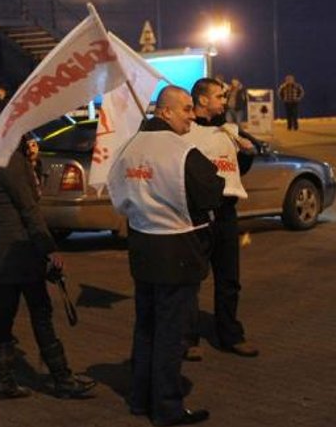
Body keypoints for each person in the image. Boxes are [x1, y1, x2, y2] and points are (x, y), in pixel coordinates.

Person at [107, 86, 224, 426]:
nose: (191, 115)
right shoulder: (180, 150)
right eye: (186, 109)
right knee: (171, 334)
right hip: (178, 249)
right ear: (165, 112)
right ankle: (168, 407)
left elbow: (118, 196)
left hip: (143, 245)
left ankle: (140, 399)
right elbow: (211, 192)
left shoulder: (130, 147)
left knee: (146, 327)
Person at [0, 137, 96, 400]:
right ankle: (60, 378)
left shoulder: (10, 156)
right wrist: (49, 247)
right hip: (15, 251)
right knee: (36, 312)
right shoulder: (9, 159)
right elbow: (28, 207)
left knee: (9, 315)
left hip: (10, 250)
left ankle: (10, 378)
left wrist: (31, 162)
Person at [184, 78, 259, 362]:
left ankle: (230, 335)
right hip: (197, 215)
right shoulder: (184, 131)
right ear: (202, 100)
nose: (224, 102)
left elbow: (234, 170)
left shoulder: (227, 130)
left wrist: (247, 156)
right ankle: (187, 338)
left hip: (226, 214)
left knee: (229, 280)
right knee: (192, 280)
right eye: (219, 96)